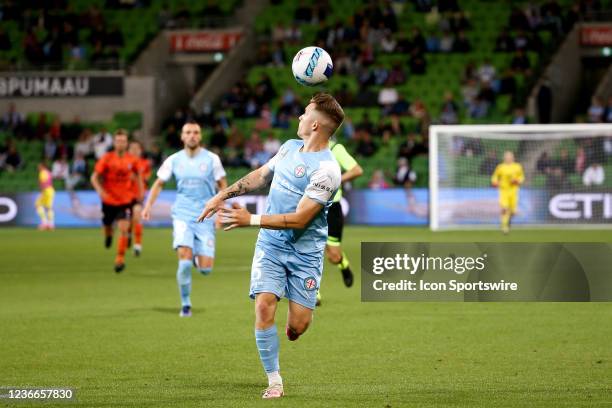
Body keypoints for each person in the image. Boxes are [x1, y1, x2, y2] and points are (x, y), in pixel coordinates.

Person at [197, 93, 343, 399]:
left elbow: (302, 218)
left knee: (298, 326)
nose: (300, 118)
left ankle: (294, 328)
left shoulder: (328, 171)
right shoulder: (289, 148)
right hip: (271, 245)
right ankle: (274, 379)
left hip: (306, 253)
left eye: (305, 114)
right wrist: (222, 196)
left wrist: (250, 220)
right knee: (264, 305)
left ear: (316, 125)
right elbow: (261, 176)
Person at [142, 121, 227, 317]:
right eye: (188, 132)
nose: (192, 136)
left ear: (200, 136)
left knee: (205, 269)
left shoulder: (212, 159)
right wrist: (148, 206)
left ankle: (199, 259)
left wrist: (221, 212)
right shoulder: (173, 160)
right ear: (182, 137)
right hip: (182, 215)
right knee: (184, 260)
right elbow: (158, 184)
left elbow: (222, 184)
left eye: (196, 132)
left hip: (206, 216)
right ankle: (186, 304)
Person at [317, 140, 363, 305]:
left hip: (332, 207)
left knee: (333, 255)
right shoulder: (304, 149)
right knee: (309, 250)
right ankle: (312, 292)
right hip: (311, 205)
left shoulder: (336, 148)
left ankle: (343, 264)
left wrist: (336, 180)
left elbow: (357, 170)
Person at [90, 129, 142, 272]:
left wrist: (140, 192)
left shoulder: (132, 159)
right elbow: (94, 177)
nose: (120, 143)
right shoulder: (107, 158)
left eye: (123, 141)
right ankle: (108, 236)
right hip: (108, 201)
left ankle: (120, 259)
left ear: (126, 143)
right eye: (118, 141)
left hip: (125, 200)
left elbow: (138, 176)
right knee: (107, 227)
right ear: (114, 143)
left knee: (124, 228)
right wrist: (100, 190)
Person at [491, 151, 524, 234]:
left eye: (509, 157)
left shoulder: (517, 166)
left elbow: (522, 176)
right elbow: (495, 176)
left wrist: (517, 181)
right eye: (506, 157)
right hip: (504, 190)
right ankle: (504, 226)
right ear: (504, 158)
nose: (508, 158)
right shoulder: (500, 167)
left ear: (513, 158)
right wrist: (494, 182)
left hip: (514, 191)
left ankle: (508, 220)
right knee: (504, 208)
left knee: (513, 211)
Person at [127, 141, 151, 256]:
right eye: (132, 148)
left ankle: (137, 245)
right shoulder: (124, 163)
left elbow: (146, 178)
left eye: (137, 148)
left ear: (140, 150)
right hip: (124, 195)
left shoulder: (145, 163)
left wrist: (137, 177)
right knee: (128, 221)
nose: (135, 150)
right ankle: (128, 234)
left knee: (137, 216)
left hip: (138, 195)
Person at [35, 162, 55, 230]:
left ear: (43, 166)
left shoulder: (42, 172)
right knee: (49, 207)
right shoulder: (49, 172)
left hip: (46, 190)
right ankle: (51, 224)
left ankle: (44, 223)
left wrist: (42, 190)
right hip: (51, 190)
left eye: (39, 166)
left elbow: (43, 182)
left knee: (38, 205)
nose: (38, 167)